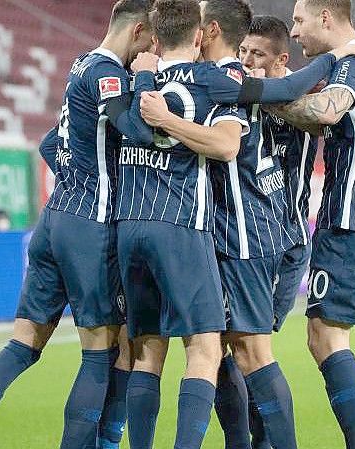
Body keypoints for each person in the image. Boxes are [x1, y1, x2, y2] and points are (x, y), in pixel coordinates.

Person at [0, 2, 156, 448]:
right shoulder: (110, 72)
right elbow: (136, 129)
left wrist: (75, 175)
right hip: (89, 223)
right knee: (99, 352)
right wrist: (146, 79)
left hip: (53, 219)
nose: (149, 53)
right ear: (139, 31)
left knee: (23, 345)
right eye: (149, 45)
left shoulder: (81, 65)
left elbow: (49, 141)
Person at [264, 1, 355, 448]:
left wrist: (261, 94)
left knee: (326, 338)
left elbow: (325, 112)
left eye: (300, 21)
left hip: (351, 219)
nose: (294, 31)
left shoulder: (354, 63)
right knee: (323, 336)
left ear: (327, 17)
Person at [114, 1, 246, 449]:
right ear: (197, 37)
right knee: (205, 350)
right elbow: (228, 147)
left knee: (146, 355)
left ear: (152, 36)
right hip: (180, 225)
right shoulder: (212, 82)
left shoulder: (131, 78)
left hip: (128, 226)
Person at [238, 15, 320, 449]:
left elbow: (313, 118)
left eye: (258, 54)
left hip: (284, 239)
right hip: (249, 238)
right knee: (242, 348)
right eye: (244, 51)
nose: (248, 60)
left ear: (281, 60)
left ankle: (264, 441)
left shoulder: (300, 95)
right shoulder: (246, 86)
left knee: (252, 349)